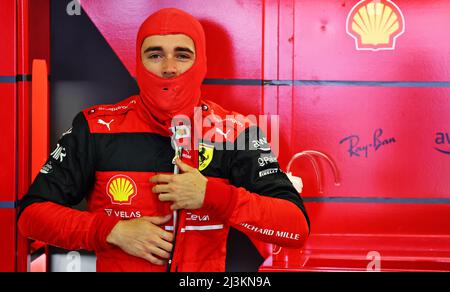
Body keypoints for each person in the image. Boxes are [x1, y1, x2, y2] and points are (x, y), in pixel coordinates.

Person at [18, 8, 310, 272]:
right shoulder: (96, 127)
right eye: (155, 55)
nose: (169, 67)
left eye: (182, 55)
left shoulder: (236, 133)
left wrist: (212, 196)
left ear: (201, 63)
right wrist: (112, 230)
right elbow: (31, 216)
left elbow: (295, 228)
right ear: (139, 62)